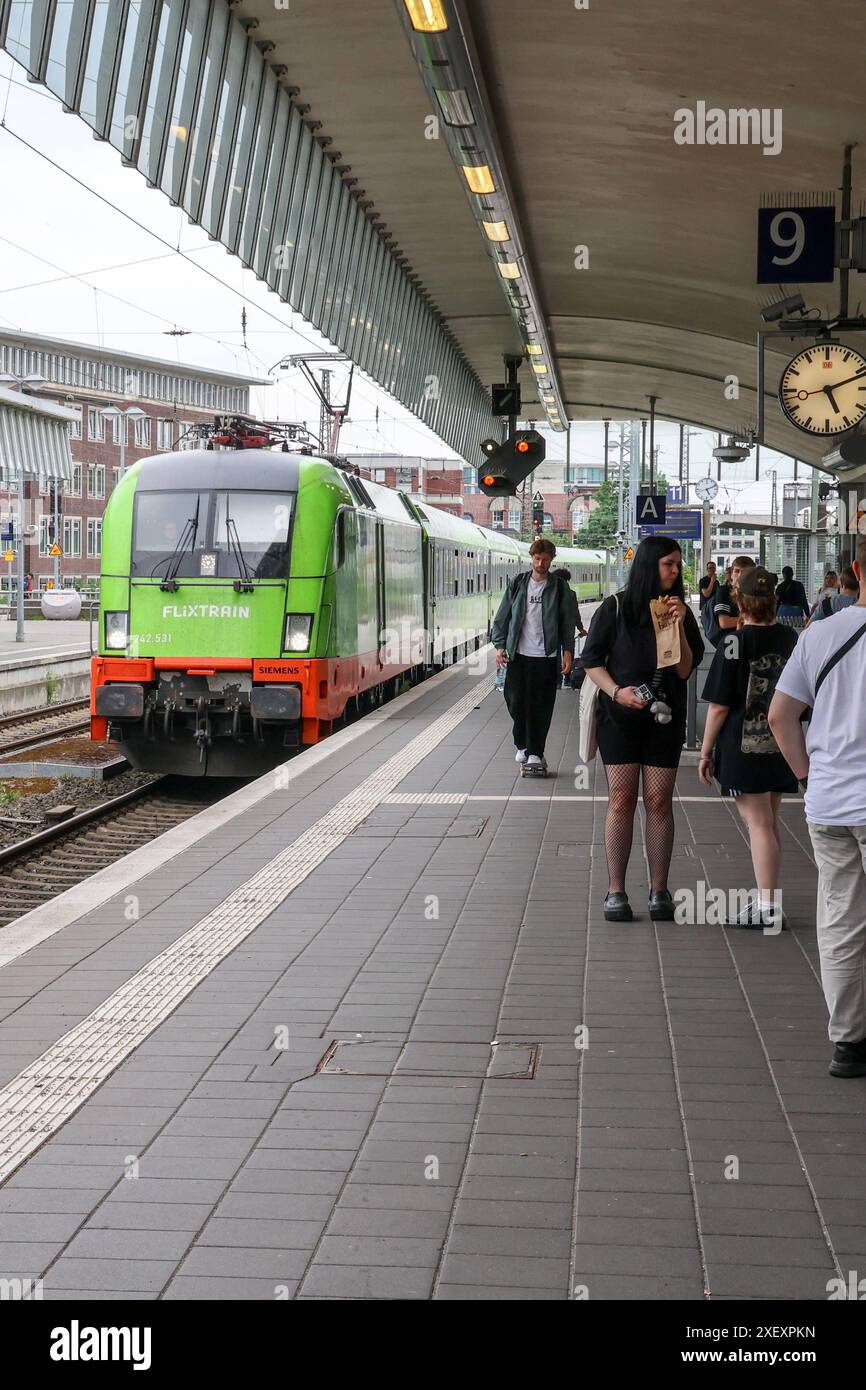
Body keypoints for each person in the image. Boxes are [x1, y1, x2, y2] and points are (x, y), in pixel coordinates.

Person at [769, 534, 866, 1078]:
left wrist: (808, 777)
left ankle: (848, 1042)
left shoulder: (819, 634)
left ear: (853, 569)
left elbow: (782, 717)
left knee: (842, 919)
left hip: (829, 802)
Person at [580, 535, 705, 921]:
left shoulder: (680, 611)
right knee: (621, 800)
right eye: (668, 564)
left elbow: (685, 670)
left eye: (677, 564)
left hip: (664, 718)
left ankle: (659, 890)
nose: (675, 571)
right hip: (619, 717)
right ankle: (615, 890)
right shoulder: (615, 608)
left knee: (658, 802)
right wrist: (617, 692)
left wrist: (681, 625)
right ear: (650, 565)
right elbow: (592, 661)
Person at [699, 566, 798, 928]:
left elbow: (719, 706)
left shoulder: (733, 643)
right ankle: (768, 898)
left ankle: (767, 906)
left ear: (739, 601)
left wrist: (706, 751)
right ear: (774, 600)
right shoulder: (791, 639)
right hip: (783, 745)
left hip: (745, 746)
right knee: (770, 821)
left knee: (758, 823)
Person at [492, 537, 575, 772]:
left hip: (546, 656)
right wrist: (500, 646)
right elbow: (503, 615)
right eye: (537, 559)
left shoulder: (559, 587)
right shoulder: (518, 584)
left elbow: (567, 622)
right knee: (515, 700)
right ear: (532, 559)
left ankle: (536, 752)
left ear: (551, 561)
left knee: (541, 705)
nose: (540, 563)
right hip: (518, 654)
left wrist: (568, 651)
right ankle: (521, 743)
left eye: (545, 560)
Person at [704, 555, 755, 647]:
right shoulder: (724, 591)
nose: (740, 575)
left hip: (748, 641)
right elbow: (724, 622)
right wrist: (751, 619)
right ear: (731, 574)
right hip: (729, 643)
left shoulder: (754, 594)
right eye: (737, 571)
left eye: (744, 572)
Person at [552, 567, 588, 688]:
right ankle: (567, 679)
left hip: (554, 630)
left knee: (556, 655)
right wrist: (580, 628)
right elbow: (575, 613)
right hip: (568, 630)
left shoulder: (550, 594)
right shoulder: (571, 594)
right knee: (569, 654)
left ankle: (557, 682)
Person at [698, 561, 718, 639]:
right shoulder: (703, 580)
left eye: (713, 568)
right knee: (707, 629)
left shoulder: (717, 582)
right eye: (710, 568)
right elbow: (706, 594)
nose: (711, 570)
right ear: (707, 569)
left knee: (714, 629)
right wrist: (712, 581)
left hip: (714, 609)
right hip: (706, 608)